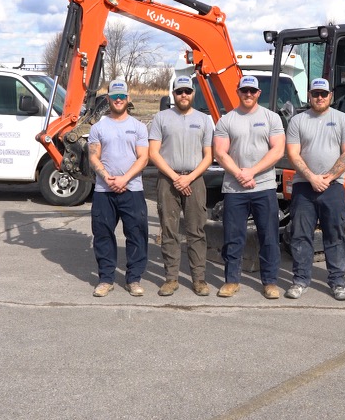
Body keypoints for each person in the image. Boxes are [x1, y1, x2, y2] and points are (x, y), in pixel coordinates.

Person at [212, 75, 285, 299]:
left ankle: (270, 282)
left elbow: (277, 150)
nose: (249, 94)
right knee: (233, 236)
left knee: (269, 235)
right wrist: (239, 174)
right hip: (235, 190)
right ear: (238, 91)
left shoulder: (272, 118)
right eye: (245, 91)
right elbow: (220, 152)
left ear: (258, 93)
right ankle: (232, 281)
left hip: (263, 187)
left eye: (253, 91)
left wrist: (251, 172)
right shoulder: (227, 120)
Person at [285, 78, 345, 301]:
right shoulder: (297, 121)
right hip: (303, 187)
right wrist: (311, 177)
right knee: (300, 235)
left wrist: (328, 177)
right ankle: (300, 280)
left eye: (323, 94)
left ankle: (337, 282)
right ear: (309, 95)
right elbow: (293, 154)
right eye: (315, 94)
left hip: (333, 187)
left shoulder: (343, 120)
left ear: (330, 95)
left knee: (335, 234)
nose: (319, 97)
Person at [148, 76, 214, 296]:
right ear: (173, 94)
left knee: (196, 230)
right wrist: (176, 177)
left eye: (187, 91)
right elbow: (153, 153)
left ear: (193, 93)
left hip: (195, 180)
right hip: (168, 180)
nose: (183, 95)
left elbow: (208, 156)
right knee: (169, 229)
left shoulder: (204, 120)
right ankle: (171, 279)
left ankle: (199, 279)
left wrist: (189, 177)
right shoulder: (161, 118)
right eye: (179, 92)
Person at [88, 80, 150, 298]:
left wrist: (124, 179)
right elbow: (93, 156)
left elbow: (143, 158)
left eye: (122, 95)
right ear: (108, 99)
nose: (118, 99)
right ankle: (106, 279)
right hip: (105, 191)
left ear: (128, 98)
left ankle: (134, 279)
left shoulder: (139, 127)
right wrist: (107, 177)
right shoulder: (98, 128)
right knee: (103, 234)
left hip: (132, 189)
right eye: (114, 96)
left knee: (136, 234)